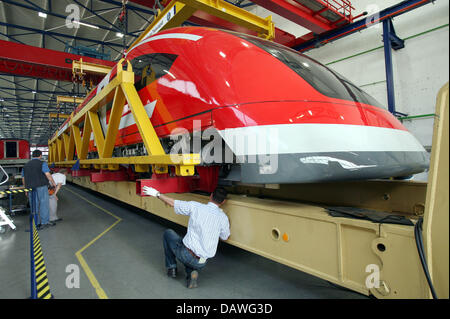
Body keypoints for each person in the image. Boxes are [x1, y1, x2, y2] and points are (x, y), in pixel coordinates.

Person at [143, 186, 230, 289]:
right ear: (223, 201)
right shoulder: (223, 218)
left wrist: (157, 194)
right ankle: (190, 275)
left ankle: (172, 268)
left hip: (186, 254)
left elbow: (173, 203)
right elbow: (225, 237)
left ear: (211, 196)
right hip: (202, 262)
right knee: (191, 257)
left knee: (168, 233)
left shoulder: (196, 207)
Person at [22, 150, 57, 229]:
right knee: (44, 203)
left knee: (34, 205)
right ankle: (45, 222)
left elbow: (23, 178)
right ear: (40, 156)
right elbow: (47, 174)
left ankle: (36, 223)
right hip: (41, 186)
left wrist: (25, 189)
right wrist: (53, 183)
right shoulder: (42, 163)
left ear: (32, 156)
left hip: (30, 187)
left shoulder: (26, 165)